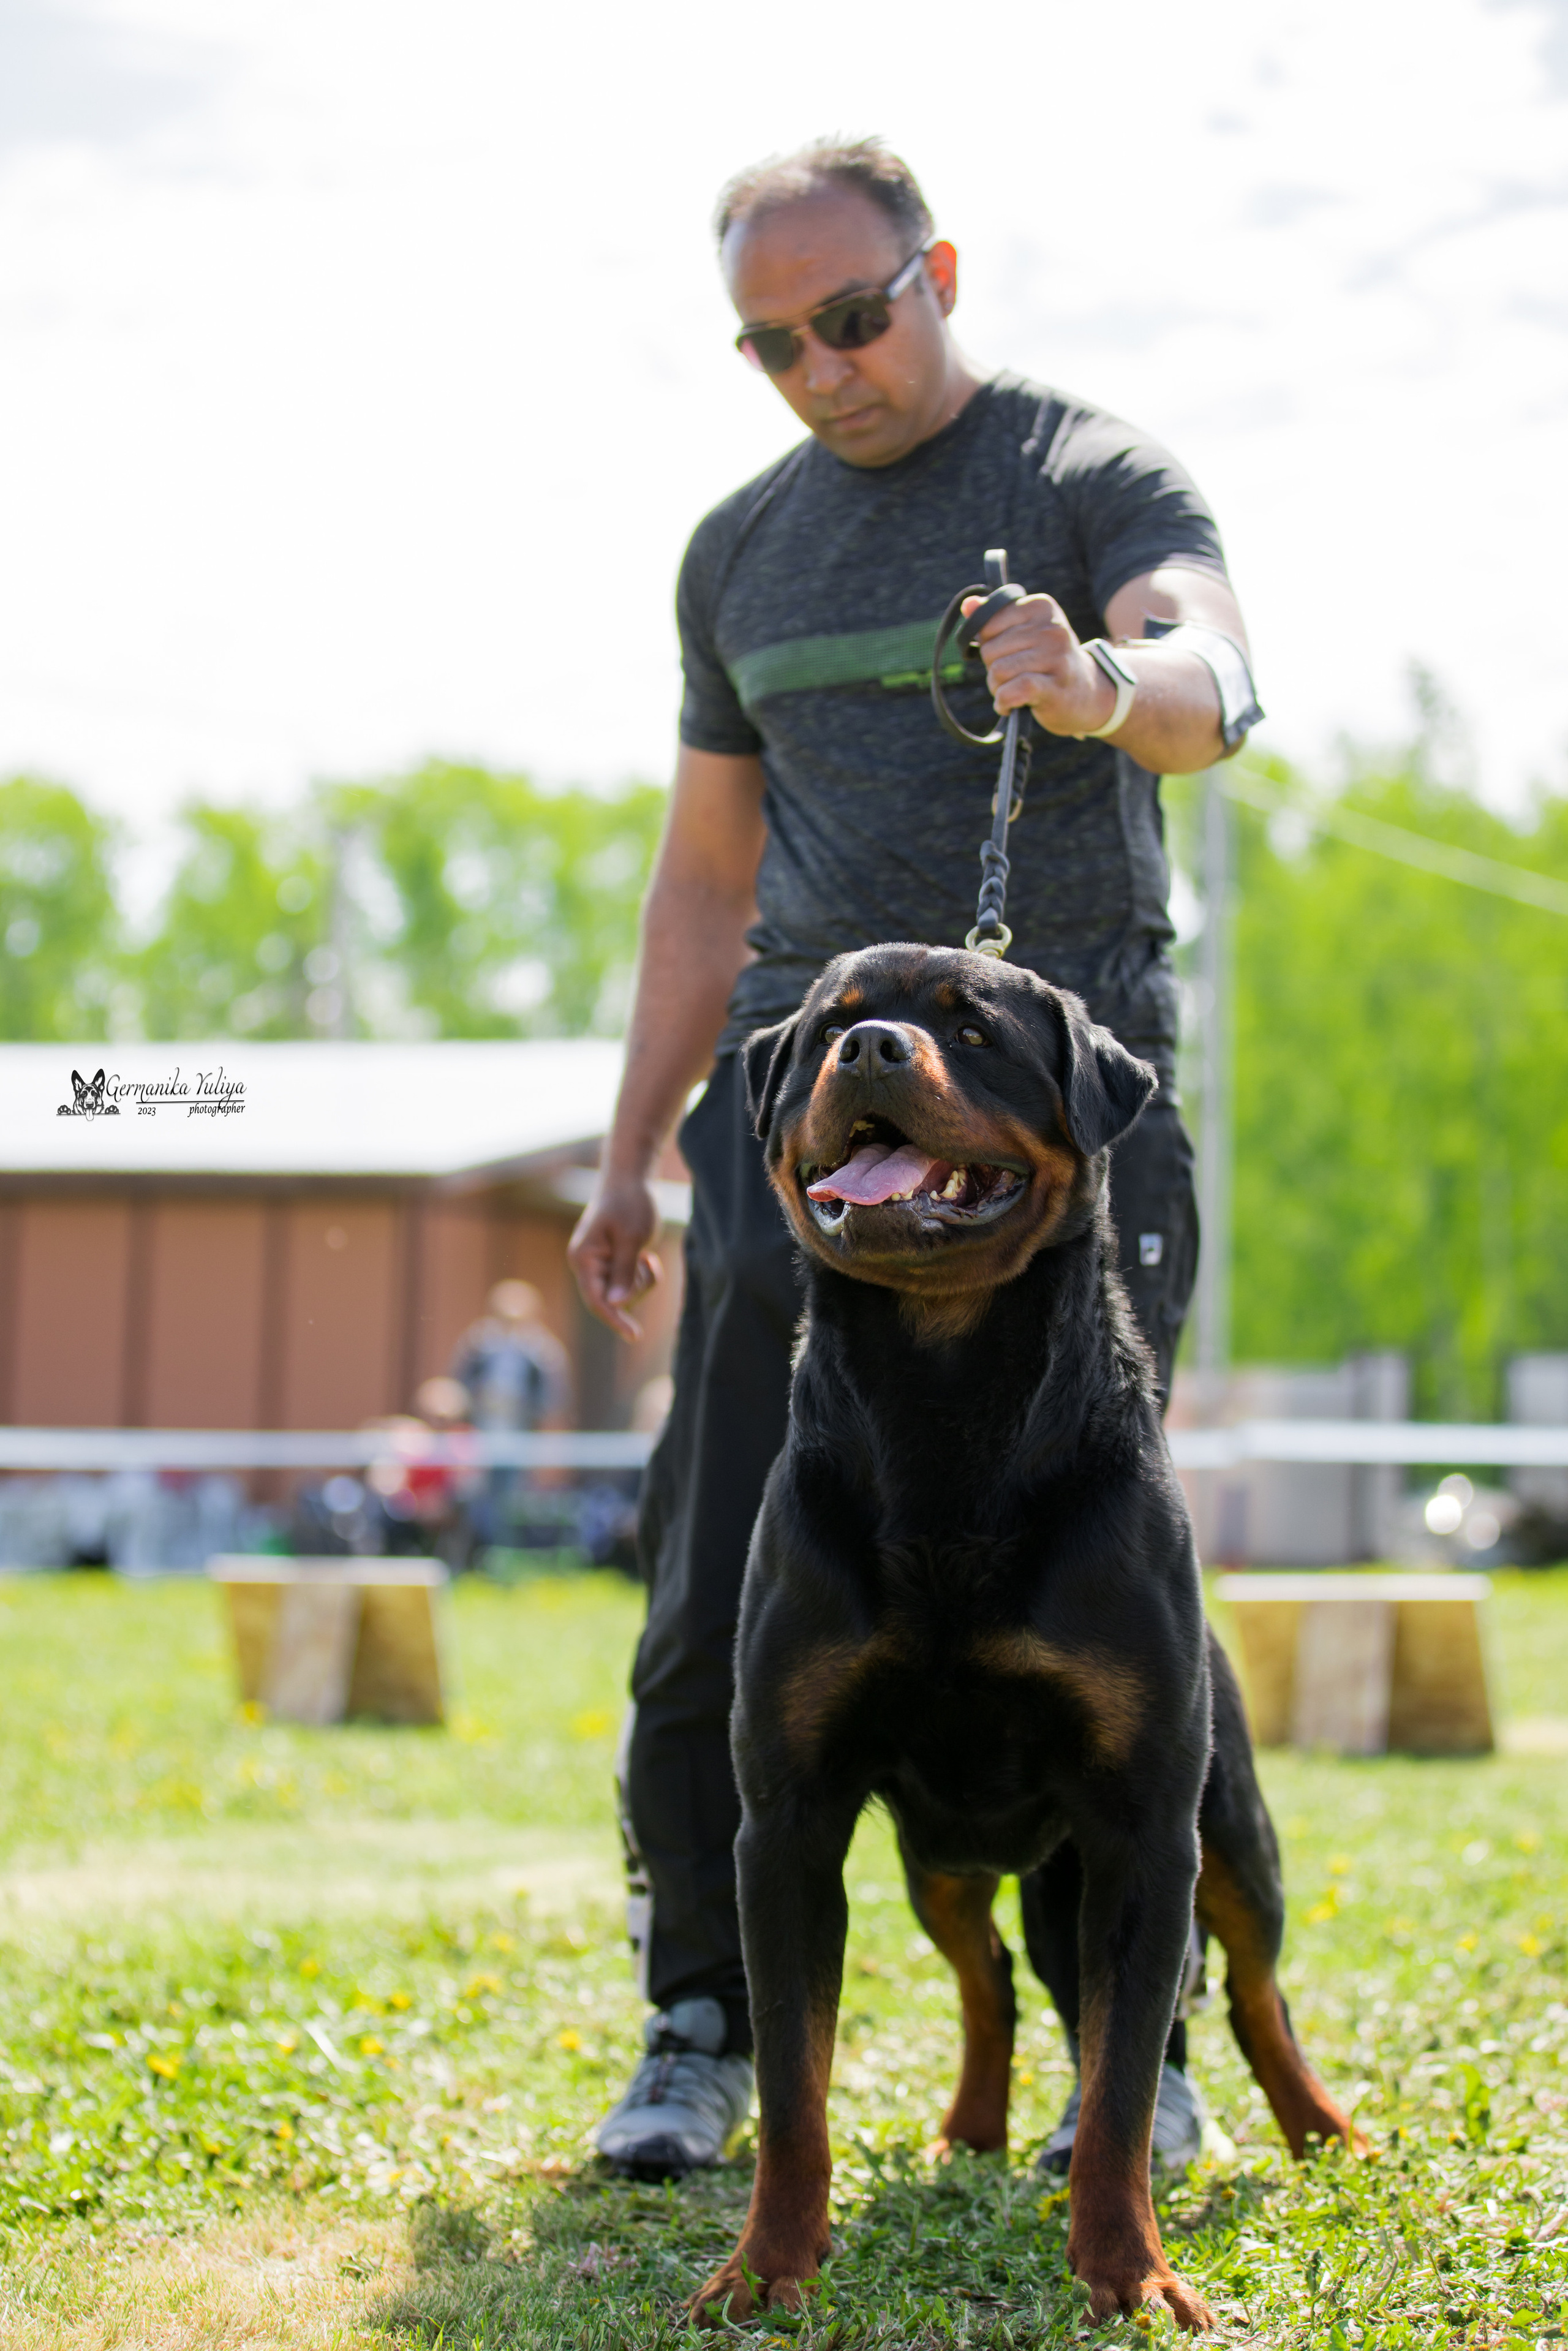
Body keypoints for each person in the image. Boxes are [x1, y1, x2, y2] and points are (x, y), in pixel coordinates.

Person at [568, 137, 1260, 2183]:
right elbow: (707, 877)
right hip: (800, 1146)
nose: (818, 367)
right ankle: (696, 2021)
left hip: (1053, 1135)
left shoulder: (1086, 472)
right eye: (770, 341)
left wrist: (1098, 677)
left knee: (1104, 1598)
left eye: (852, 317)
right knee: (715, 1581)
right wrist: (631, 1155)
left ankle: (1139, 2052)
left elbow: (1216, 681)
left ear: (936, 271)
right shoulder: (739, 551)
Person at [449, 1280, 571, 1551]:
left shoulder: (542, 1351)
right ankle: (475, 1554)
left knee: (514, 1499)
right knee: (474, 1497)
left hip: (520, 1436)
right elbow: (459, 1388)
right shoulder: (478, 1345)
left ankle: (507, 1556)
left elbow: (552, 1401)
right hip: (480, 1436)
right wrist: (481, 1401)